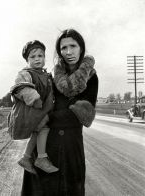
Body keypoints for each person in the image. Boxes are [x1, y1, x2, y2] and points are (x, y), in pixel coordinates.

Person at [21, 28, 98, 196]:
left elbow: (81, 114)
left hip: (71, 147)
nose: (68, 52)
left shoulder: (90, 76)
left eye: (73, 46)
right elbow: (35, 98)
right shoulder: (51, 76)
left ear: (81, 48)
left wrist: (47, 117)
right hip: (45, 148)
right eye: (64, 48)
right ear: (59, 50)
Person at [9, 40, 59, 174]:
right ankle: (41, 158)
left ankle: (26, 158)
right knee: (43, 129)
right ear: (27, 60)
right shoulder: (25, 73)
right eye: (33, 56)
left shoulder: (45, 75)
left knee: (39, 131)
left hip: (42, 110)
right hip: (32, 109)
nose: (37, 59)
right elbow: (20, 87)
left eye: (40, 56)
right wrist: (34, 98)